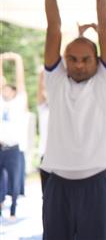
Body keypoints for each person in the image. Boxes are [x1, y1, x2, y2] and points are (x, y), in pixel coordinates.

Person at [41, 0, 106, 239]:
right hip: (57, 179)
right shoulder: (56, 79)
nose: (79, 65)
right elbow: (54, 29)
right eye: (72, 59)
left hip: (99, 179)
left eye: (86, 59)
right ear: (64, 61)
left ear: (97, 61)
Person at [0, 52, 28, 219]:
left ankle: (13, 208)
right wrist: (1, 60)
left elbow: (20, 82)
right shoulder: (1, 102)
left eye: (10, 89)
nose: (6, 91)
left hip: (13, 148)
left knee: (14, 179)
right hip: (1, 146)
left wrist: (18, 60)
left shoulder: (19, 102)